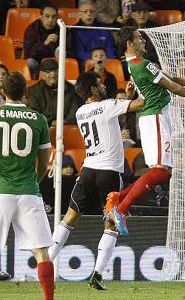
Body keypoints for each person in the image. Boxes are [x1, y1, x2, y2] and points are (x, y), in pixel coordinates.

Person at [104, 27, 185, 236]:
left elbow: (170, 80)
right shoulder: (142, 65)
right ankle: (121, 210)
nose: (143, 40)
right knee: (160, 171)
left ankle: (117, 198)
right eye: (138, 38)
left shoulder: (136, 66)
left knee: (164, 174)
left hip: (156, 117)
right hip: (155, 117)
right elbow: (174, 87)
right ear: (129, 44)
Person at [47, 71, 144, 290]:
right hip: (109, 173)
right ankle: (97, 274)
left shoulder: (81, 112)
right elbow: (140, 104)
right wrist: (138, 92)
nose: (103, 86)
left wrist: (124, 99)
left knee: (70, 217)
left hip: (89, 170)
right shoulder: (109, 105)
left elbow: (107, 117)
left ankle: (45, 264)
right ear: (92, 88)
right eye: (99, 84)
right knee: (111, 224)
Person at [0, 72, 54, 300]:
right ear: (26, 91)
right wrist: (33, 181)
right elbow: (45, 161)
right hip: (29, 193)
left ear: (2, 91)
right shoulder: (39, 119)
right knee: (41, 251)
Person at [28, 58, 81, 126]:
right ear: (42, 74)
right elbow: (34, 114)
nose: (53, 74)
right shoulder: (33, 91)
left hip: (67, 127)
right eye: (48, 71)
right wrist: (50, 122)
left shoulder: (72, 90)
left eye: (56, 71)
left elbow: (75, 111)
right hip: (44, 128)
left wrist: (64, 122)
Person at [72, 1, 118, 66]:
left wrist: (106, 59)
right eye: (85, 11)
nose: (89, 14)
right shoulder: (75, 30)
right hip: (86, 63)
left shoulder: (104, 28)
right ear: (79, 14)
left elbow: (110, 47)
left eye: (92, 11)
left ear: (95, 14)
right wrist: (95, 59)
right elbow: (78, 52)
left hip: (106, 61)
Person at [23, 5, 64, 77]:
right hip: (38, 64)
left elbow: (71, 51)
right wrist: (44, 43)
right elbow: (29, 54)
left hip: (57, 64)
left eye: (53, 17)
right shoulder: (32, 29)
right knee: (30, 62)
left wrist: (63, 53)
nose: (50, 20)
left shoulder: (62, 29)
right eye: (47, 16)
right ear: (41, 17)